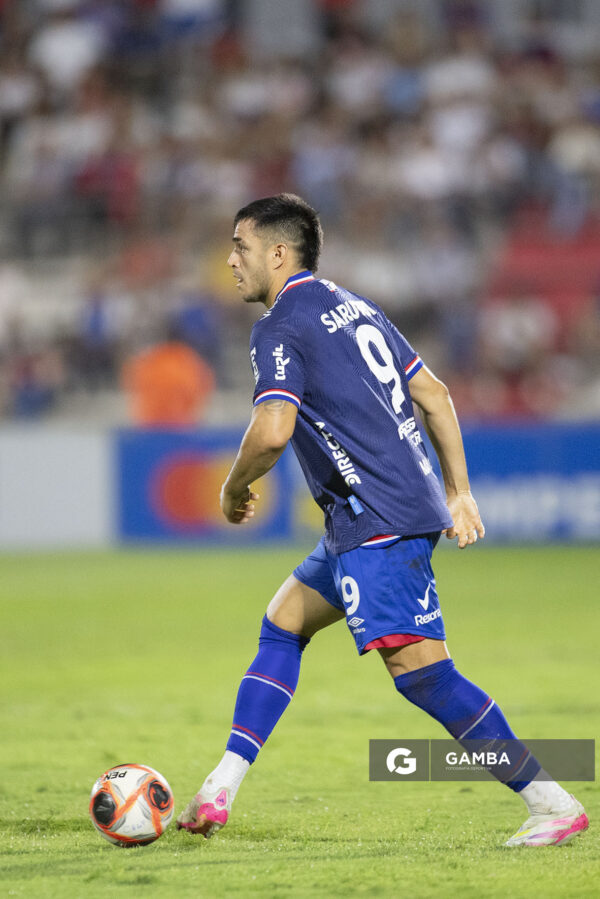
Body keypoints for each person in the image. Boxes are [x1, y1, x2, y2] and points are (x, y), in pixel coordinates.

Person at [176, 193, 588, 847]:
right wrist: (458, 492)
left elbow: (274, 429)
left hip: (378, 519)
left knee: (424, 674)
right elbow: (435, 395)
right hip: (370, 515)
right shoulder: (355, 305)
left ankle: (551, 802)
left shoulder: (279, 325)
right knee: (283, 623)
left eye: (239, 246)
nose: (230, 261)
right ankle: (219, 788)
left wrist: (232, 486)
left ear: (278, 254)